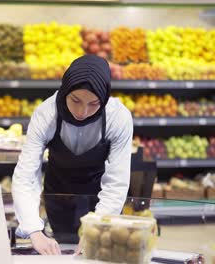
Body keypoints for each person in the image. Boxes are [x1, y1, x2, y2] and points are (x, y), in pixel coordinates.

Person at [12, 55, 133, 255]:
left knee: (98, 253)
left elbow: (117, 182)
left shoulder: (118, 117)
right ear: (65, 89)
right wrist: (33, 230)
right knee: (65, 252)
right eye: (75, 100)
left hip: (100, 195)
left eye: (93, 103)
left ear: (103, 98)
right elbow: (26, 175)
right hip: (59, 195)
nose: (82, 111)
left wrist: (96, 228)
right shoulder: (46, 114)